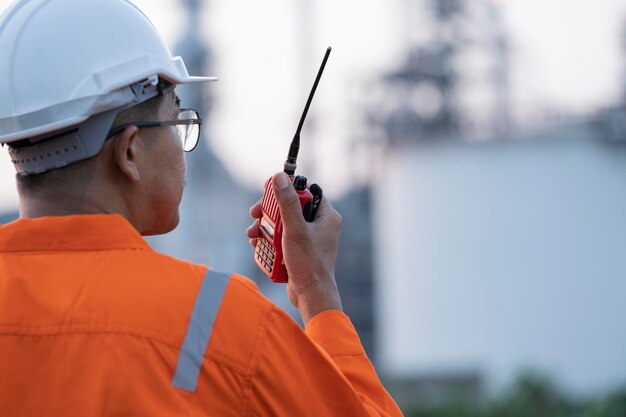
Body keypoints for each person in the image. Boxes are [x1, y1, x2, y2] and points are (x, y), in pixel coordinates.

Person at [0, 0, 403, 416]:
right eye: (177, 121)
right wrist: (317, 292)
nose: (182, 144)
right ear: (130, 152)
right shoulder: (217, 321)